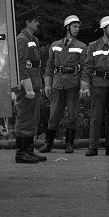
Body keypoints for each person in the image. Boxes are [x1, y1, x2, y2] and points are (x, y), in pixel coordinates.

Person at [80, 15, 109, 156]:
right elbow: (88, 67)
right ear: (104, 29)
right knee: (96, 116)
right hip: (99, 84)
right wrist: (85, 86)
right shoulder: (93, 46)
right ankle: (93, 147)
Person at [40, 15, 87, 153]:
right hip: (57, 83)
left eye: (78, 27)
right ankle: (48, 143)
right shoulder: (55, 45)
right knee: (54, 114)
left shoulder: (81, 46)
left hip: (73, 83)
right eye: (74, 26)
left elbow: (85, 68)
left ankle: (69, 144)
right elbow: (49, 66)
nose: (77, 29)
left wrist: (84, 87)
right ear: (67, 27)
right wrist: (47, 84)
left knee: (72, 115)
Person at [14, 8, 47, 164]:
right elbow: (21, 65)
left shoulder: (32, 38)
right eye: (35, 21)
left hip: (35, 82)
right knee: (25, 117)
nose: (38, 23)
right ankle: (21, 153)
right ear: (28, 22)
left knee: (33, 118)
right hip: (28, 84)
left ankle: (29, 150)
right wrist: (27, 86)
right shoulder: (22, 39)